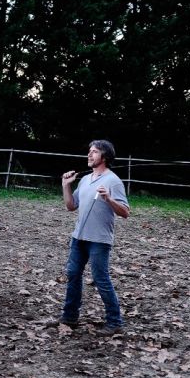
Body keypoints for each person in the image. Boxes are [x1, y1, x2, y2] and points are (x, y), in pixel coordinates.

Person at [51, 140, 130, 336]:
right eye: (89, 151)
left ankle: (115, 322)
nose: (89, 155)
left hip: (99, 240)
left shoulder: (113, 181)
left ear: (104, 157)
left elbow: (125, 212)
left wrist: (109, 199)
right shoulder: (85, 180)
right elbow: (71, 206)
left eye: (94, 152)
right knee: (73, 275)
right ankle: (69, 317)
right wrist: (66, 185)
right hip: (79, 237)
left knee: (100, 279)